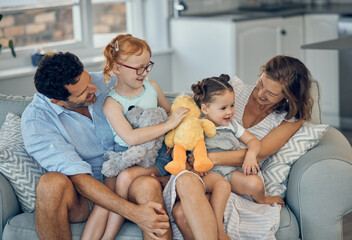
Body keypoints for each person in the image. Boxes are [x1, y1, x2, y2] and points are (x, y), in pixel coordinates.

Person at [21, 52, 172, 240]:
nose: (94, 88)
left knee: (146, 186)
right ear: (58, 101)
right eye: (83, 92)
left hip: (130, 175)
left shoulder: (110, 82)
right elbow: (79, 179)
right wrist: (134, 213)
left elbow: (155, 107)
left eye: (89, 80)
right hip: (87, 196)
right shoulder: (37, 120)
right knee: (50, 184)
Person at [163, 55, 313, 239]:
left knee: (181, 212)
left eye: (271, 93)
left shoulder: (290, 119)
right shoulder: (234, 91)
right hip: (204, 174)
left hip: (238, 178)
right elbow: (193, 118)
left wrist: (209, 159)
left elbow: (259, 153)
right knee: (180, 212)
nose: (260, 94)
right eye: (260, 84)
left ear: (289, 97)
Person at [81, 34, 189, 240]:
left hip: (154, 155)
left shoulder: (152, 87)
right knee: (104, 200)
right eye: (138, 68)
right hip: (124, 156)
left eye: (148, 66)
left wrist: (172, 126)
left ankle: (109, 237)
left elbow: (168, 114)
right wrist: (168, 123)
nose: (144, 72)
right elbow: (130, 138)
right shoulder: (112, 103)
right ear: (116, 68)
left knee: (125, 178)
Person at [189, 73, 262, 240]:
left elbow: (254, 141)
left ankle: (263, 200)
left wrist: (251, 154)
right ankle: (218, 228)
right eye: (223, 108)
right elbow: (185, 148)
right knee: (222, 187)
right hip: (208, 174)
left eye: (232, 105)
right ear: (205, 108)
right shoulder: (196, 124)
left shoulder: (232, 125)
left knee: (256, 183)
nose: (230, 112)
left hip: (230, 172)